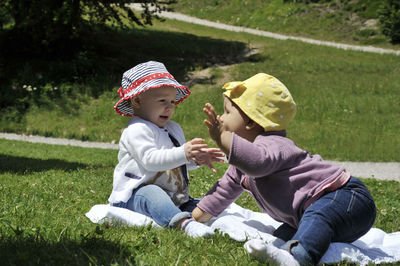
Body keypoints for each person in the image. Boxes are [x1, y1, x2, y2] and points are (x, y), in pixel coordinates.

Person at [191, 73, 376, 265]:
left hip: (345, 198)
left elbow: (257, 164)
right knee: (284, 234)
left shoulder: (275, 144)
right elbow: (224, 189)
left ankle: (296, 258)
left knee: (318, 215)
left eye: (228, 112)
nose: (221, 118)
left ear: (251, 122)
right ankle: (287, 248)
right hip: (323, 216)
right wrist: (195, 218)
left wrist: (222, 137)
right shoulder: (242, 164)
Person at [109, 61, 224, 237]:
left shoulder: (173, 128)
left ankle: (214, 220)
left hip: (173, 195)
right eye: (162, 101)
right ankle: (184, 225)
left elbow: (175, 162)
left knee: (200, 206)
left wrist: (194, 159)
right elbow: (151, 160)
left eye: (172, 101)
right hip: (135, 195)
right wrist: (183, 153)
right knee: (152, 193)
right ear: (137, 100)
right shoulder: (136, 129)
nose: (169, 107)